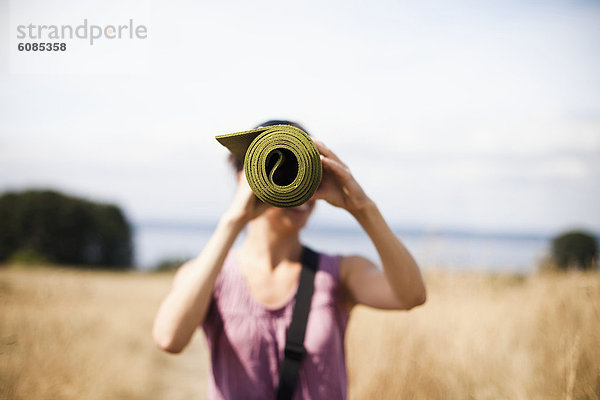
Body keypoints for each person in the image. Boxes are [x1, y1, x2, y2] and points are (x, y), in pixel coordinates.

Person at [152, 120, 427, 400]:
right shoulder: (207, 275)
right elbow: (169, 338)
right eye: (283, 171)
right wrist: (234, 219)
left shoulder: (338, 273)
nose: (302, 190)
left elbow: (411, 295)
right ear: (246, 178)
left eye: (309, 173)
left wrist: (362, 207)